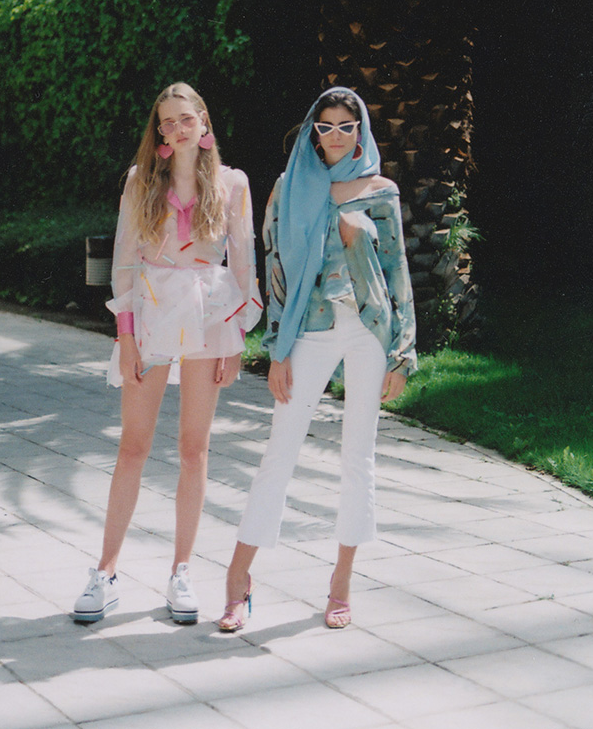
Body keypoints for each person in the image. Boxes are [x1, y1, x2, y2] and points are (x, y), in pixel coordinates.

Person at [218, 86, 417, 632]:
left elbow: (397, 270)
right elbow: (277, 266)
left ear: (361, 131)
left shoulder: (381, 190)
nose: (335, 136)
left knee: (359, 456)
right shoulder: (291, 186)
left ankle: (341, 584)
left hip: (369, 332)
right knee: (279, 451)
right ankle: (238, 579)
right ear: (312, 131)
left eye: (345, 127)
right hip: (309, 329)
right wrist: (277, 349)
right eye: (325, 126)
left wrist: (402, 354)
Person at [72, 82, 262, 624]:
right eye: (167, 122)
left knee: (193, 448)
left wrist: (237, 339)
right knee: (133, 446)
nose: (176, 129)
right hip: (151, 314)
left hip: (209, 317)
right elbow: (125, 262)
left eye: (185, 118)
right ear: (159, 132)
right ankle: (106, 571)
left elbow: (243, 264)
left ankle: (182, 571)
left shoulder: (232, 184)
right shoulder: (141, 182)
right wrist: (126, 338)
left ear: (204, 123)